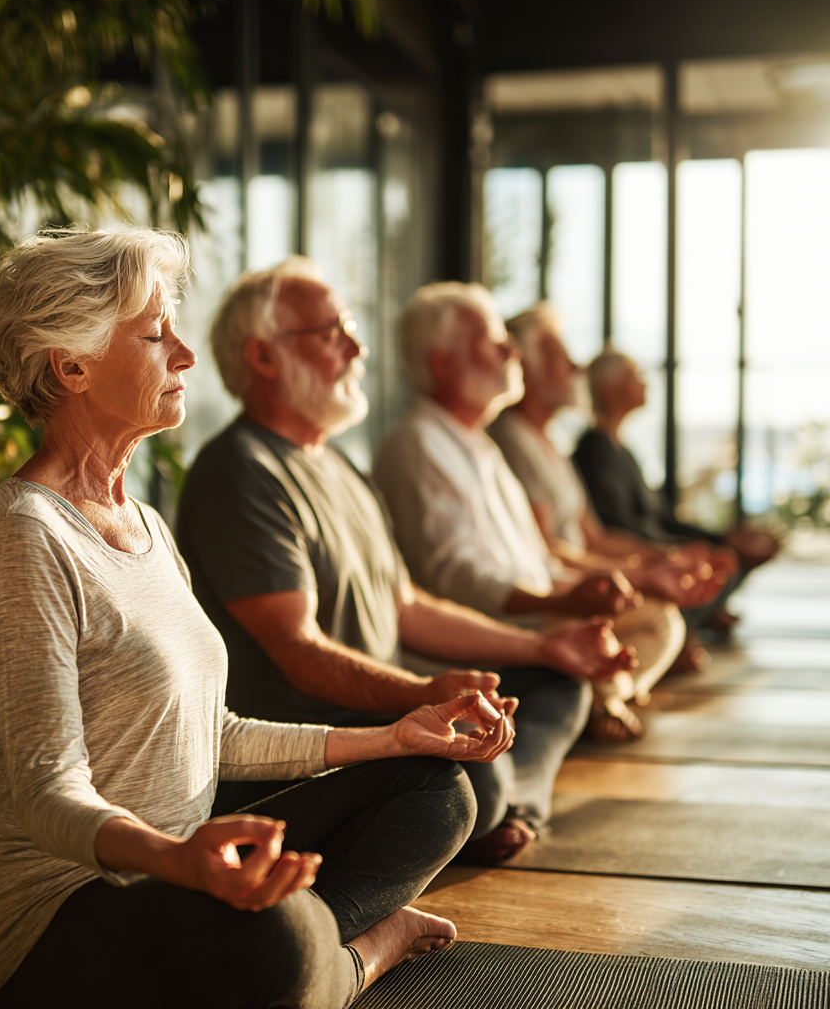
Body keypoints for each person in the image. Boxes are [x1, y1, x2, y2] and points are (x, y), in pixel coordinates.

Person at [0, 228, 520, 1009]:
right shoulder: (25, 537)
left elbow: (216, 734)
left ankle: (309, 947)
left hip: (185, 868)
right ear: (70, 366)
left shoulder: (144, 522)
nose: (185, 354)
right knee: (269, 942)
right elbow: (47, 792)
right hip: (50, 915)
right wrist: (182, 865)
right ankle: (355, 955)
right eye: (154, 335)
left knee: (436, 788)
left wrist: (392, 734)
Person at [179, 257, 632, 864]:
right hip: (313, 745)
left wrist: (542, 647)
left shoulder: (338, 466)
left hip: (384, 709)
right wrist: (421, 693)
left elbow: (408, 606)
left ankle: (510, 805)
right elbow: (298, 651)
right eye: (331, 333)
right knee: (467, 786)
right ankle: (505, 803)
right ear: (263, 357)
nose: (357, 347)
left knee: (559, 682)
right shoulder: (240, 472)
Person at [373, 283, 690, 744]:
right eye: (493, 340)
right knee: (600, 646)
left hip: (538, 614)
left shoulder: (478, 443)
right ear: (443, 363)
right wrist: (565, 603)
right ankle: (595, 699)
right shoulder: (419, 443)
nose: (511, 349)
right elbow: (458, 579)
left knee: (658, 618)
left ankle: (601, 698)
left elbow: (541, 562)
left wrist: (595, 589)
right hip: (492, 635)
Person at [493, 303, 727, 674]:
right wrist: (642, 572)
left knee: (667, 616)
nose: (576, 367)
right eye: (560, 357)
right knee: (663, 620)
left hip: (582, 582)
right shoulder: (510, 442)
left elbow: (595, 536)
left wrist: (659, 558)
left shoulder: (552, 441)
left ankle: (603, 692)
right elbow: (549, 550)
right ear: (528, 371)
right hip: (560, 596)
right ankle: (603, 695)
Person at [573, 348, 779, 625]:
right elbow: (619, 527)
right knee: (725, 563)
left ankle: (699, 614)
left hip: (656, 549)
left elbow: (665, 518)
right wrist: (675, 555)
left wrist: (722, 539)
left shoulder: (621, 450)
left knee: (734, 557)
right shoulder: (595, 451)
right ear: (609, 390)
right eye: (635, 376)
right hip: (639, 557)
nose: (645, 383)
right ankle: (691, 621)